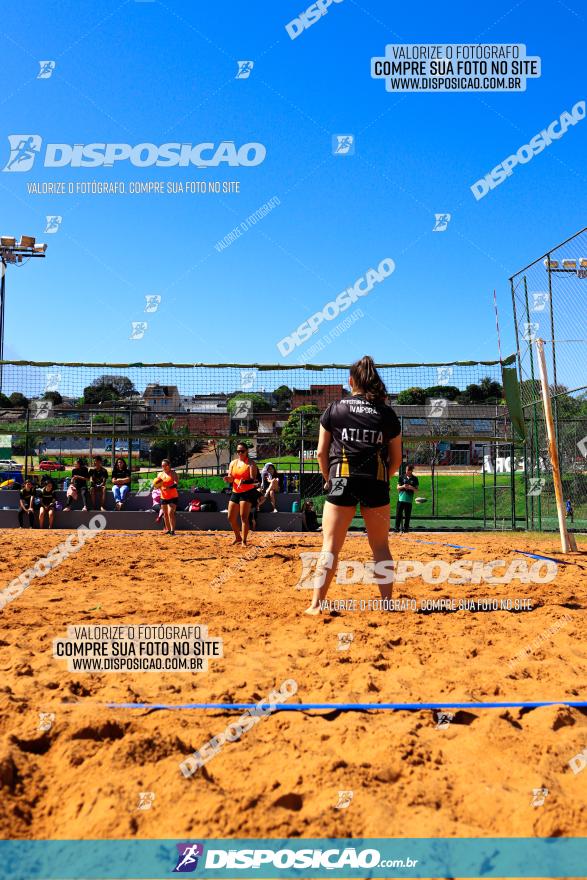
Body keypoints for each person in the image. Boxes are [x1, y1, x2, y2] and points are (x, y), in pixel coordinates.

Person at [304, 355, 402, 615]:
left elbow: (320, 453)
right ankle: (388, 605)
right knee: (380, 546)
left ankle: (316, 605)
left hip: (340, 480)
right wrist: (384, 477)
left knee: (331, 545)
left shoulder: (335, 408)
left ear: (350, 382)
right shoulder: (387, 413)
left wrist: (329, 481)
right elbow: (398, 459)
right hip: (376, 483)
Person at [224, 442, 259, 546]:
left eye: (242, 451)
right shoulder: (233, 463)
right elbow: (231, 478)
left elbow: (254, 480)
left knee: (243, 517)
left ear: (246, 451)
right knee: (230, 517)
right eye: (238, 451)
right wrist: (227, 479)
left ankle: (244, 541)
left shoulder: (251, 464)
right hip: (235, 492)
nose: (240, 453)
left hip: (247, 492)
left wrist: (244, 482)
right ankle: (237, 537)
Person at [153, 459, 179, 535]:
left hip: (173, 496)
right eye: (162, 466)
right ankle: (168, 530)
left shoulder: (173, 473)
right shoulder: (160, 474)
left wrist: (169, 487)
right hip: (163, 497)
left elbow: (176, 484)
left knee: (171, 513)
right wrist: (156, 487)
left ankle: (172, 531)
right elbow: (157, 485)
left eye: (165, 465)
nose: (163, 467)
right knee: (165, 514)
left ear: (169, 465)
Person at [395, 464, 419, 533]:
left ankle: (406, 529)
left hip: (409, 500)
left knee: (407, 515)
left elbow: (417, 490)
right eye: (406, 470)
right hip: (401, 499)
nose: (407, 471)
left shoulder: (415, 479)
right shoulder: (401, 477)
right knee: (398, 514)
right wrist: (403, 486)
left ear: (411, 471)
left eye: (408, 470)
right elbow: (397, 487)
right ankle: (396, 528)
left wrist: (411, 487)